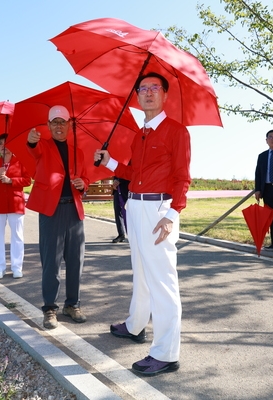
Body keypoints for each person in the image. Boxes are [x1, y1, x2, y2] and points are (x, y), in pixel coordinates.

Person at [94, 72, 191, 376]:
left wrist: (172, 214)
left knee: (162, 281)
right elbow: (132, 171)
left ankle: (166, 353)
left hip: (157, 210)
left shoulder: (177, 131)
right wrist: (108, 161)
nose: (148, 93)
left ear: (165, 95)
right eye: (143, 88)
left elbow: (182, 177)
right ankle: (136, 325)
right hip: (134, 206)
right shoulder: (141, 134)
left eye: (155, 88)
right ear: (136, 95)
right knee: (141, 272)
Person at [26, 105, 90, 330]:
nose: (59, 126)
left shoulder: (78, 152)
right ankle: (49, 308)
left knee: (76, 261)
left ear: (69, 125)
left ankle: (72, 304)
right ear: (49, 126)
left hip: (74, 210)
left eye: (63, 122)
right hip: (50, 211)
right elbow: (32, 149)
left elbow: (85, 179)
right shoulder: (41, 145)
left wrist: (84, 184)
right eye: (55, 122)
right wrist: (32, 140)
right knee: (51, 262)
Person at [0, 133, 32, 280]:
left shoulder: (20, 162)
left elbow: (27, 181)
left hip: (15, 202)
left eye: (7, 143)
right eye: (1, 144)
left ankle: (17, 267)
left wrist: (12, 181)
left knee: (17, 236)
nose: (4, 146)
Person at [111, 176, 130, 243]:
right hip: (117, 190)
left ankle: (131, 234)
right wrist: (115, 180)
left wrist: (120, 180)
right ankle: (121, 234)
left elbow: (130, 172)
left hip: (128, 189)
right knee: (117, 211)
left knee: (129, 213)